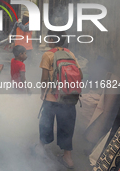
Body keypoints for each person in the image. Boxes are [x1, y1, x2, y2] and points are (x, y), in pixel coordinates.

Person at [37, 30, 83, 169]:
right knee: (67, 127)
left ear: (52, 39)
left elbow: (44, 78)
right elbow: (80, 74)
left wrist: (42, 93)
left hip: (51, 98)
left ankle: (41, 149)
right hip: (68, 98)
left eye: (48, 38)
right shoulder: (70, 54)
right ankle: (68, 158)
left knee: (46, 124)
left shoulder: (48, 55)